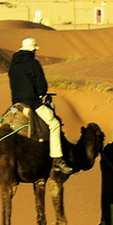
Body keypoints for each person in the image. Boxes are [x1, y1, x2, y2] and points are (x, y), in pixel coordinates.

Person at [8, 37, 69, 174]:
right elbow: (41, 87)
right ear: (33, 50)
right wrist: (41, 95)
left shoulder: (13, 65)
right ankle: (58, 159)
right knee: (54, 124)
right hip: (32, 103)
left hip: (16, 104)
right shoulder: (34, 64)